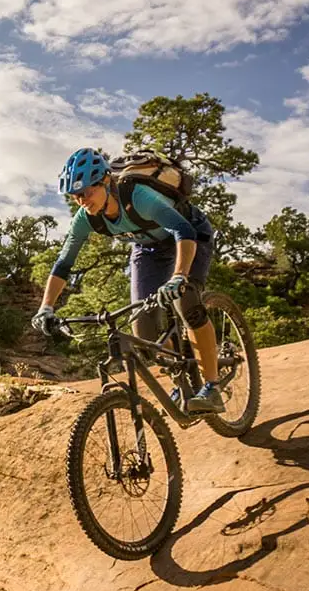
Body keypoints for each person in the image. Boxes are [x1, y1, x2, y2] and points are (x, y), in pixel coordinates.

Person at [31, 147, 225, 413]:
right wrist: (46, 307)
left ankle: (213, 387)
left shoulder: (138, 196)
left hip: (189, 235)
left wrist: (178, 276)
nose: (83, 200)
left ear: (106, 181)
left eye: (88, 191)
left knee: (186, 300)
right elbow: (64, 264)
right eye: (76, 196)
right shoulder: (85, 218)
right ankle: (182, 370)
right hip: (148, 249)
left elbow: (183, 230)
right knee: (142, 332)